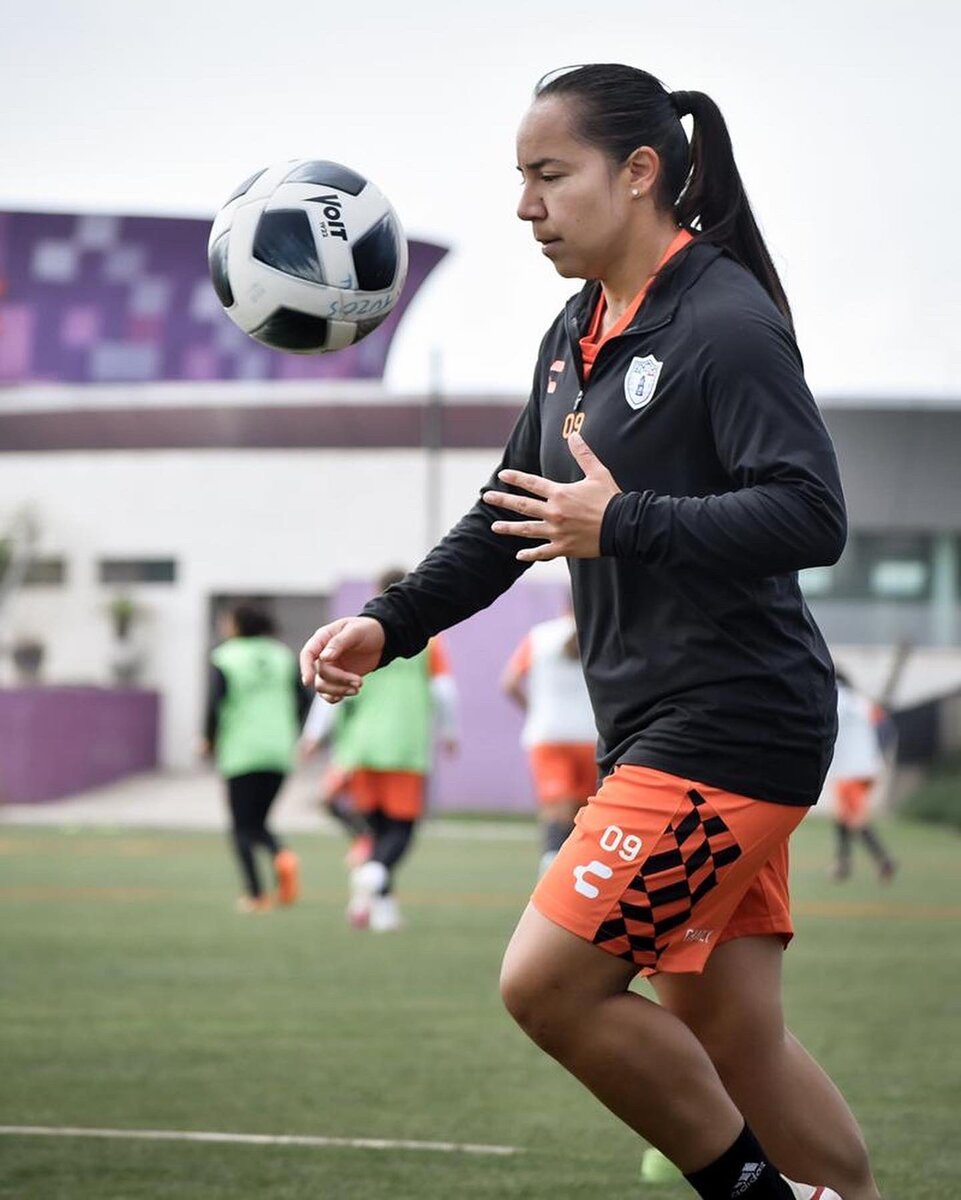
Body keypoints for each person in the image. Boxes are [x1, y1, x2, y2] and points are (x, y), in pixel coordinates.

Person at [300, 64, 880, 1200]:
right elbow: (511, 507)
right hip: (658, 726)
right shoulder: (576, 326)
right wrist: (391, 622)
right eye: (520, 179)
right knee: (735, 1037)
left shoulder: (722, 319)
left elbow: (813, 514)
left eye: (549, 175)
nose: (526, 206)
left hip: (729, 728)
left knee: (548, 987)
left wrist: (623, 520)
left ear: (640, 172)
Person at [300, 568, 459, 932]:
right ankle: (373, 874)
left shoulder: (356, 636)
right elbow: (444, 691)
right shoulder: (429, 643)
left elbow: (329, 691)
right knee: (400, 830)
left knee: (374, 830)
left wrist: (313, 735)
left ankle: (381, 907)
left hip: (359, 749)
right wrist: (450, 731)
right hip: (403, 749)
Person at [203, 603, 307, 913]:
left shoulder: (226, 656)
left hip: (242, 751)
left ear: (236, 625)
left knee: (241, 827)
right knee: (258, 821)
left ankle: (256, 894)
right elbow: (303, 700)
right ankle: (280, 854)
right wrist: (290, 731)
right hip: (279, 750)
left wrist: (209, 740)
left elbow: (214, 705)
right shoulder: (284, 655)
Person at [502, 607, 597, 876]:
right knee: (584, 813)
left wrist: (536, 712)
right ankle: (572, 870)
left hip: (548, 734)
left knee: (556, 808)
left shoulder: (540, 635)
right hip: (591, 735)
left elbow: (509, 683)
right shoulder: (604, 631)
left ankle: (551, 860)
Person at [829, 670, 896, 883]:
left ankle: (884, 860)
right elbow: (887, 727)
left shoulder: (833, 700)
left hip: (849, 771)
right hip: (869, 768)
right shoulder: (863, 703)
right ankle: (843, 864)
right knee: (843, 817)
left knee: (856, 820)